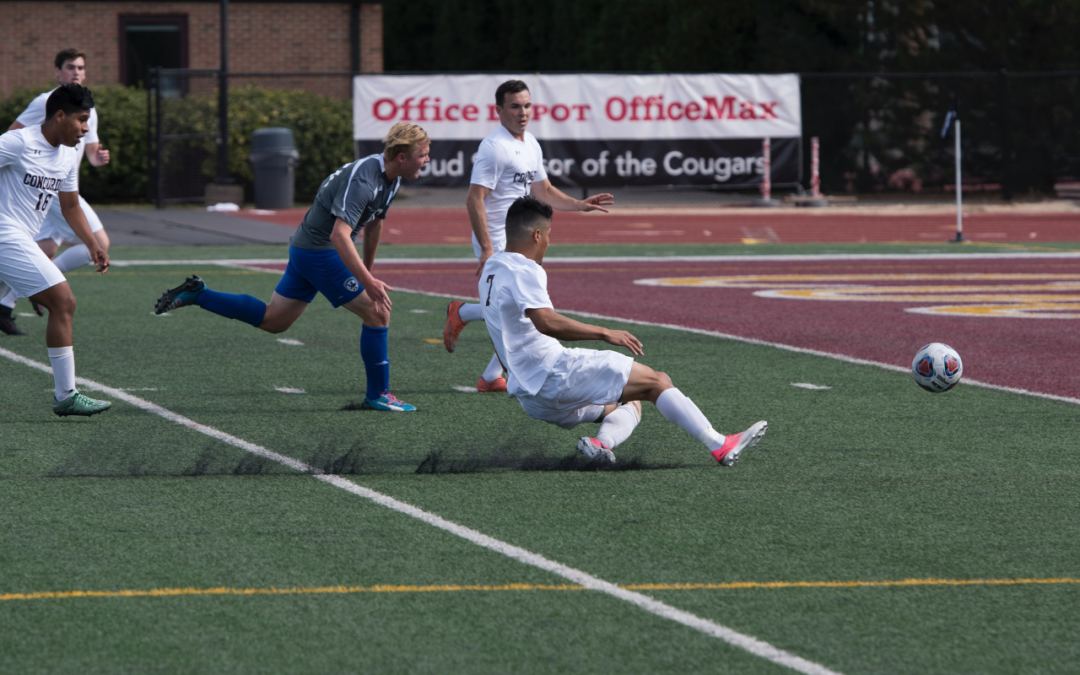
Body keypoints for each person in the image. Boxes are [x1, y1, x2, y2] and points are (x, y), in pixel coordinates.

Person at [154, 122, 430, 411]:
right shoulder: (365, 178)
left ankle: (199, 294)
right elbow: (339, 235)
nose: (426, 160)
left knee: (274, 321)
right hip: (318, 251)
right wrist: (367, 283)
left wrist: (367, 275)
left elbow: (375, 222)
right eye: (422, 155)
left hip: (307, 248)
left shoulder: (392, 178)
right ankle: (378, 395)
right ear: (401, 157)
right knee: (377, 313)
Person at [480, 196, 767, 465]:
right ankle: (719, 444)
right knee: (657, 381)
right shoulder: (525, 269)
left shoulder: (491, 270)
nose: (549, 243)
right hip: (555, 374)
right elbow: (546, 322)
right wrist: (604, 332)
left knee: (628, 401)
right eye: (550, 235)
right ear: (537, 235)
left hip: (530, 398)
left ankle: (601, 445)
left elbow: (499, 329)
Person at [443, 79, 614, 392]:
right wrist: (486, 248)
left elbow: (544, 191)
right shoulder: (494, 148)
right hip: (497, 238)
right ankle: (491, 372)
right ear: (499, 110)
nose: (522, 112)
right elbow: (474, 198)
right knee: (522, 308)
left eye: (527, 105)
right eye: (514, 106)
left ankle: (477, 343)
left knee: (517, 306)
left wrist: (579, 205)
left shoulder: (530, 143)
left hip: (522, 237)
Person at [0, 83, 112, 416]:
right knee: (63, 301)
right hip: (6, 234)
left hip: (19, 239)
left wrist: (94, 245)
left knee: (60, 301)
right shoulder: (19, 142)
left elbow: (71, 206)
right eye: (80, 119)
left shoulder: (66, 155)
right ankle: (66, 396)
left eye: (88, 120)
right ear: (59, 116)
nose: (86, 128)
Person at [0, 48, 111, 336]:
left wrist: (96, 158)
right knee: (97, 244)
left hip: (55, 190)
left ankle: (10, 300)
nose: (77, 72)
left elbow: (88, 150)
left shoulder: (87, 108)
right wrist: (29, 167)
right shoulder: (43, 103)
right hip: (34, 189)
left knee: (47, 247)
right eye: (71, 67)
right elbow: (14, 136)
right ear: (57, 72)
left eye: (81, 67)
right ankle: (37, 288)